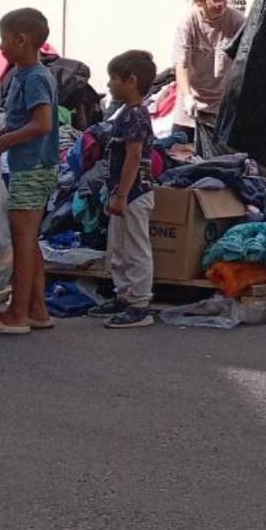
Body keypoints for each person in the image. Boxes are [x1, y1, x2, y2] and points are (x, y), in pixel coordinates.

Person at [0, 8, 59, 336]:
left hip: (32, 167)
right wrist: (1, 137)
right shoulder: (25, 75)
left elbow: (42, 123)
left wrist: (4, 142)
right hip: (31, 165)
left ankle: (17, 313)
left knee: (22, 239)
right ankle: (37, 309)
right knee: (28, 238)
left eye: (4, 39)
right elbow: (23, 120)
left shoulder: (35, 77)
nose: (1, 47)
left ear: (21, 39)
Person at [88, 50, 158, 329]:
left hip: (134, 193)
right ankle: (124, 295)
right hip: (122, 192)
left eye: (113, 78)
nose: (109, 84)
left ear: (131, 81)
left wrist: (122, 195)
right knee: (118, 248)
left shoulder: (136, 116)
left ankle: (139, 304)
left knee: (135, 249)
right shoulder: (125, 114)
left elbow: (133, 157)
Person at [171, 0, 245, 140]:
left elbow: (248, 54)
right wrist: (187, 96)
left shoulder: (236, 20)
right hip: (191, 102)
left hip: (222, 103)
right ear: (200, 1)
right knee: (178, 149)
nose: (221, 4)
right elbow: (181, 64)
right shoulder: (188, 23)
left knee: (222, 153)